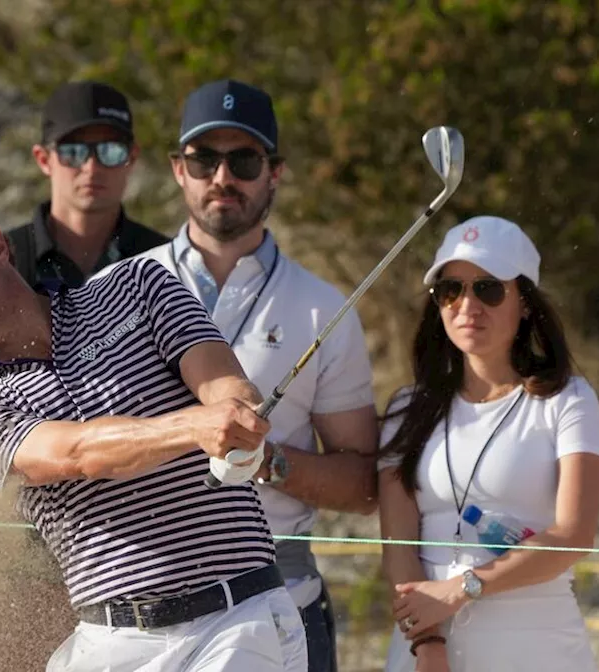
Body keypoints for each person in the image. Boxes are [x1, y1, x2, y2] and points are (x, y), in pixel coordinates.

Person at [0, 194, 308, 671]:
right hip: (114, 642)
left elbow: (222, 384)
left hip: (236, 621)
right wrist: (195, 427)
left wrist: (234, 414)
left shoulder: (136, 286)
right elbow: (77, 454)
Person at [138, 78, 379, 671]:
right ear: (178, 169)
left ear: (275, 172)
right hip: (143, 621)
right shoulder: (118, 290)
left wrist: (268, 461)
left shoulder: (326, 309)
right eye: (204, 158)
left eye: (244, 159)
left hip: (281, 615)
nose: (223, 177)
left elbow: (363, 483)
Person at [377, 216, 599, 671]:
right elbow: (397, 547)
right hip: (426, 655)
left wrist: (463, 588)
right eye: (450, 290)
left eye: (488, 289)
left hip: (540, 651)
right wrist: (428, 646)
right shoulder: (406, 408)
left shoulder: (569, 400)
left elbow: (574, 535)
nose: (467, 305)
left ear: (524, 302)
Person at [5, 80, 168, 290]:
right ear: (44, 160)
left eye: (111, 150)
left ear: (132, 157)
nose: (92, 167)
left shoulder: (164, 263)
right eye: (73, 152)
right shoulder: (2, 262)